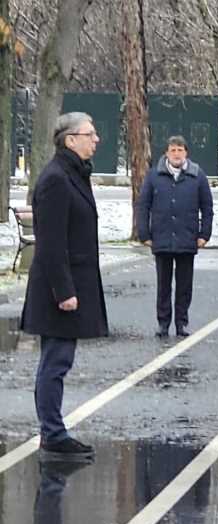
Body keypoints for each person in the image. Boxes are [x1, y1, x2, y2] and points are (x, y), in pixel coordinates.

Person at [20, 112, 107, 462]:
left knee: (58, 361)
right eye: (90, 133)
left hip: (68, 284)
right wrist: (64, 292)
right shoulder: (57, 179)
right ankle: (53, 434)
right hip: (58, 290)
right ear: (70, 139)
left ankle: (53, 430)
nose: (96, 139)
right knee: (55, 363)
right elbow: (52, 242)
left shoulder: (72, 173)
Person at [136, 135, 213, 338]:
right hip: (161, 238)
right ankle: (163, 323)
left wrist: (204, 234)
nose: (176, 154)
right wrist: (144, 233)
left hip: (187, 238)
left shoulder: (198, 176)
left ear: (186, 153)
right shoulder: (154, 176)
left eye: (180, 150)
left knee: (184, 285)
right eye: (173, 150)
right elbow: (143, 206)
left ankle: (182, 323)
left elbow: (207, 207)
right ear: (166, 153)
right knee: (163, 285)